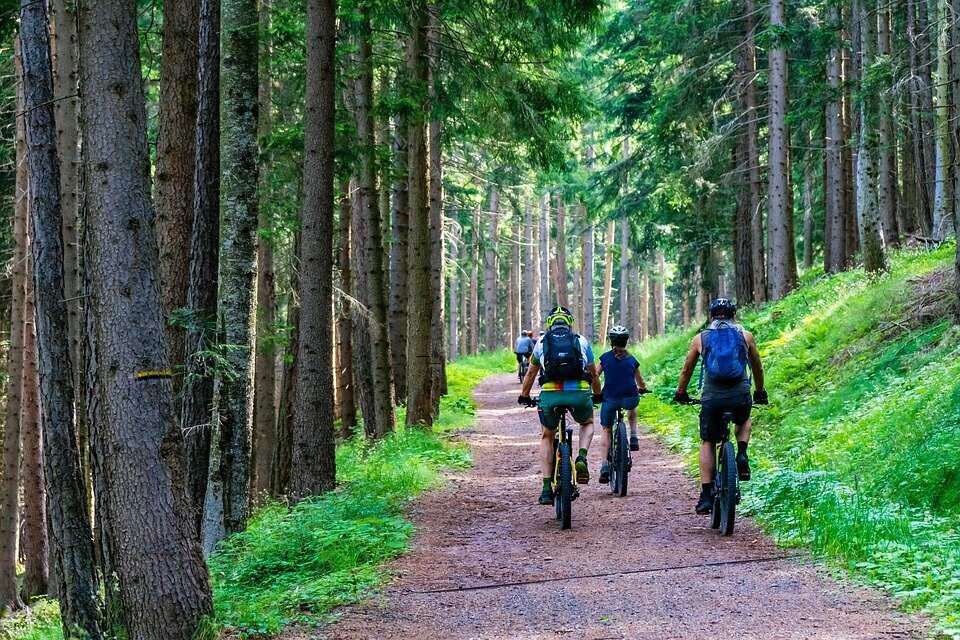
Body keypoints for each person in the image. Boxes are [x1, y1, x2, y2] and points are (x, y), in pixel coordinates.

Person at [673, 298, 768, 515]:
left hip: (713, 398)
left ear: (711, 316)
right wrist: (760, 391)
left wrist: (681, 393)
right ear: (734, 315)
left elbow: (686, 370)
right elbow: (758, 368)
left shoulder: (701, 338)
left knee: (708, 440)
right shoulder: (746, 336)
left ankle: (706, 494)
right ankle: (741, 453)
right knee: (743, 419)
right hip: (740, 394)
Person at [518, 306, 603, 505]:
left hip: (551, 395)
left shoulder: (541, 342)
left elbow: (530, 373)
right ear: (569, 322)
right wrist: (598, 394)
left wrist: (524, 395)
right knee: (587, 422)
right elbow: (593, 373)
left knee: (547, 435)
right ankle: (581, 457)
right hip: (579, 394)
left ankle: (546, 489)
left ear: (549, 324)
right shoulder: (581, 341)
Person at [595, 325, 649, 484]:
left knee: (606, 429)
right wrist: (643, 389)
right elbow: (640, 381)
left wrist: (595, 393)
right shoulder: (632, 359)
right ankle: (633, 435)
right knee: (632, 406)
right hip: (629, 397)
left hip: (610, 399)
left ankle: (604, 464)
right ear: (626, 341)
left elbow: (595, 376)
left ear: (611, 341)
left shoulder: (604, 358)